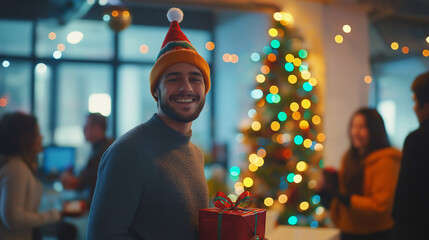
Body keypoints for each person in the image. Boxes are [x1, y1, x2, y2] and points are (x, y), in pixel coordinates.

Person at [87, 8, 211, 239]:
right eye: (174, 79)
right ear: (156, 90)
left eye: (195, 79)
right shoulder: (128, 152)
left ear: (205, 89)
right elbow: (103, 236)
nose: (187, 88)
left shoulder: (195, 153)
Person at [321, 108, 401, 240]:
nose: (355, 132)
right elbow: (341, 198)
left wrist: (347, 199)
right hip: (348, 231)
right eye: (353, 126)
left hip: (375, 234)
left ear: (375, 131)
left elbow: (380, 206)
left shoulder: (386, 161)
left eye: (362, 127)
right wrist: (327, 190)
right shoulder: (348, 158)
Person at [0, 112, 61, 240]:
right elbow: (14, 219)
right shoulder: (17, 169)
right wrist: (53, 215)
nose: (41, 137)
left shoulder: (15, 166)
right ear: (25, 138)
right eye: (37, 133)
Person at [393, 72, 429, 240]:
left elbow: (405, 200)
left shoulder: (417, 140)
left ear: (426, 105)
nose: (414, 107)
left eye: (415, 102)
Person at [60, 113, 114, 207]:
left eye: (86, 127)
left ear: (97, 129)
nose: (83, 130)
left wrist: (72, 182)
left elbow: (86, 185)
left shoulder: (101, 154)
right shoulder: (103, 147)